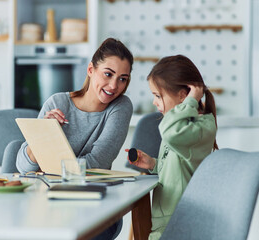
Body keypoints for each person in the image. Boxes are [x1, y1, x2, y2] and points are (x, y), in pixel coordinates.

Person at [16, 38, 134, 240]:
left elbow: (98, 162)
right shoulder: (57, 102)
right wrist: (44, 135)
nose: (114, 85)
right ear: (90, 69)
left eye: (123, 79)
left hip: (94, 208)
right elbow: (24, 167)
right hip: (46, 204)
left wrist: (51, 166)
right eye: (108, 74)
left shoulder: (120, 107)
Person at [127, 54, 218, 240]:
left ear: (183, 95)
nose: (154, 102)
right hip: (167, 221)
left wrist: (191, 101)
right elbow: (179, 168)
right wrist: (153, 164)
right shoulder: (182, 126)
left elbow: (167, 130)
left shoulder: (199, 128)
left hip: (179, 225)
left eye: (158, 96)